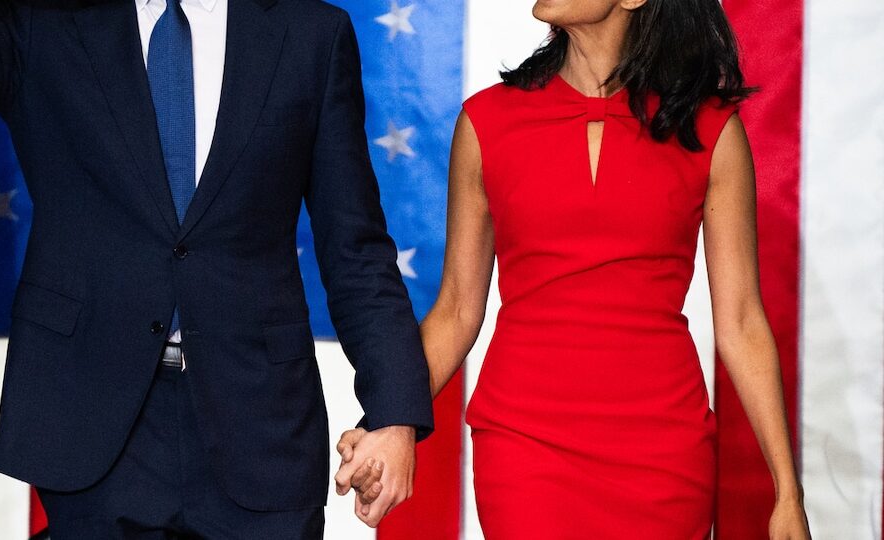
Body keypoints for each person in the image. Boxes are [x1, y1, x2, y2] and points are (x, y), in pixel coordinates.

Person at [0, 0, 433, 536]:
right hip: (91, 418)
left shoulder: (311, 34)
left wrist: (393, 413)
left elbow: (355, 248)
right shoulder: (43, 24)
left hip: (260, 424)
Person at [338, 0, 812, 537]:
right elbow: (455, 313)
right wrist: (385, 419)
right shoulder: (486, 122)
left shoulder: (710, 131)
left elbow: (742, 323)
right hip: (523, 448)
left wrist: (787, 493)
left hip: (663, 454)